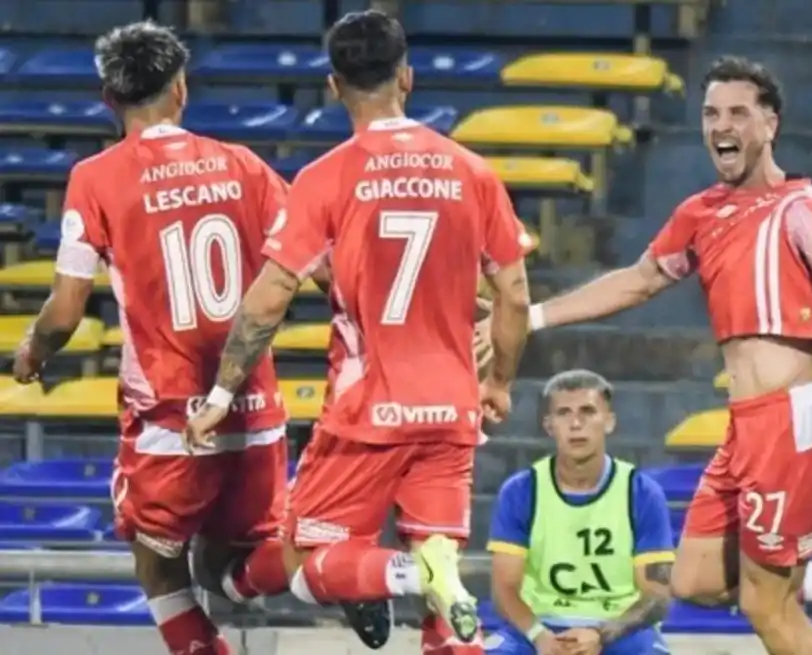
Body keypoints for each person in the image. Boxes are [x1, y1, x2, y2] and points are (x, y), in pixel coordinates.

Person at [515, 56, 812, 655]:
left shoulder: (800, 204)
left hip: (789, 422)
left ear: (770, 125)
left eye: (738, 112)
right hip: (746, 428)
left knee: (767, 606)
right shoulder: (700, 213)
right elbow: (638, 280)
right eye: (710, 113)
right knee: (694, 580)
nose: (720, 125)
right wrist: (532, 317)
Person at [183, 9, 532, 654]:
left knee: (316, 564)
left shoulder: (325, 178)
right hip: (451, 410)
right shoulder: (472, 172)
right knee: (444, 610)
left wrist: (221, 396)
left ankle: (405, 571)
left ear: (333, 86)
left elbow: (267, 302)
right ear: (408, 76)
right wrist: (500, 385)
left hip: (367, 412)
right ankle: (434, 575)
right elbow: (513, 294)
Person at [11, 21, 296, 655]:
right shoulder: (243, 165)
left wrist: (31, 351)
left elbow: (65, 312)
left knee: (160, 566)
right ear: (181, 89)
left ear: (107, 98)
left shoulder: (97, 177)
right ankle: (327, 572)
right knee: (230, 567)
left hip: (171, 417)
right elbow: (316, 258)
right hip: (256, 411)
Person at [486, 369, 674, 655]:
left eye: (588, 411)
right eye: (564, 413)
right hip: (538, 627)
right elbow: (504, 589)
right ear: (548, 425)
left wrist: (601, 634)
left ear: (609, 422)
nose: (576, 423)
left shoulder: (642, 493)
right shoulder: (521, 491)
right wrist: (540, 637)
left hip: (619, 629)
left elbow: (658, 595)